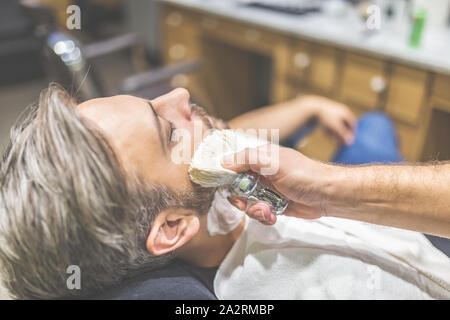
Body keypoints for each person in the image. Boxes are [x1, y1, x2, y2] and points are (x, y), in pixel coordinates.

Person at [0, 85, 448, 300]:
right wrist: (335, 188)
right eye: (170, 131)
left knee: (371, 124)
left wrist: (308, 106)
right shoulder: (306, 287)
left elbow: (226, 132)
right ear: (173, 227)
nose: (180, 93)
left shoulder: (197, 188)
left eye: (151, 101)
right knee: (373, 130)